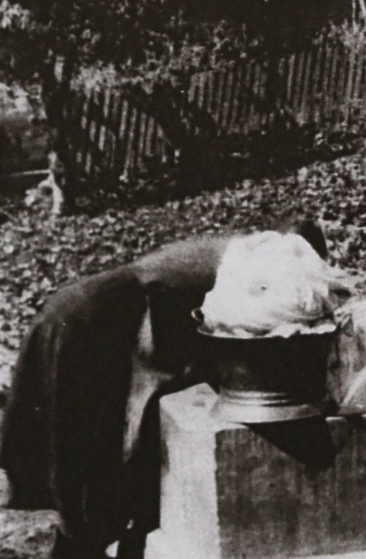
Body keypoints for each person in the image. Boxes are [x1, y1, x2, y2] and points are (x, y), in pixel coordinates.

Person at [0, 221, 328, 559]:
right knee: (85, 460)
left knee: (113, 457)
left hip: (112, 314)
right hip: (90, 323)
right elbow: (216, 336)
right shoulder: (246, 271)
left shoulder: (245, 254)